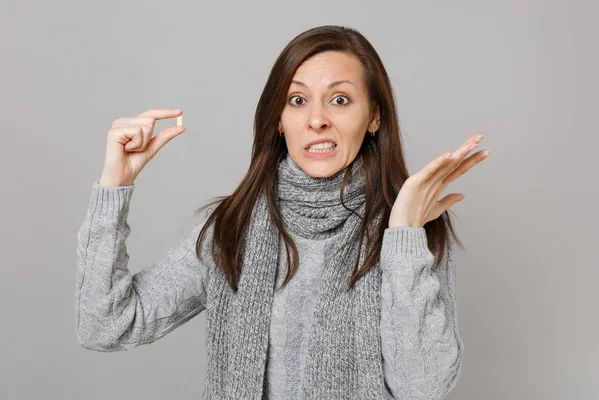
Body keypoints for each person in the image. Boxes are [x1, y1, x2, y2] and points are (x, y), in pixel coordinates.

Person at [75, 25, 489, 399]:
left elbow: (423, 388)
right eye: (297, 100)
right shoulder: (230, 227)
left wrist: (402, 235)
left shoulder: (414, 229)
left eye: (340, 100)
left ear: (374, 117)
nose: (316, 120)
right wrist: (115, 184)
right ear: (279, 119)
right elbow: (105, 325)